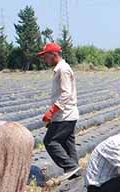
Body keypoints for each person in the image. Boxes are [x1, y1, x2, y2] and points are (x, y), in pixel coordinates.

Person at [38, 42, 80, 181]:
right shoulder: (60, 69)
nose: (44, 59)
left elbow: (66, 93)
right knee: (68, 144)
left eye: (45, 56)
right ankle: (75, 174)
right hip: (66, 115)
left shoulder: (63, 69)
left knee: (50, 141)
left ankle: (70, 167)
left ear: (53, 54)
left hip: (65, 115)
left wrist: (51, 111)